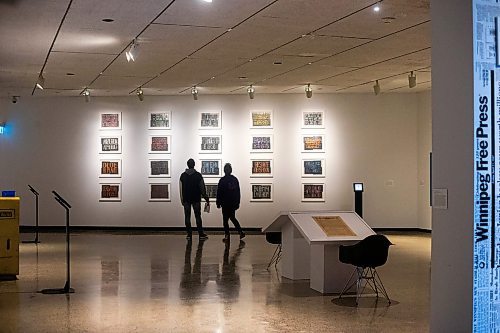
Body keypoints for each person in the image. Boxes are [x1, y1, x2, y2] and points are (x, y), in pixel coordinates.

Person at [180, 158, 209, 240]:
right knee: (198, 216)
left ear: (187, 165)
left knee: (187, 217)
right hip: (196, 198)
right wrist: (205, 197)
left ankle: (189, 235)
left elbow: (180, 188)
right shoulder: (198, 175)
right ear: (194, 164)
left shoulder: (183, 176)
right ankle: (200, 234)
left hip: (186, 199)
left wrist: (182, 200)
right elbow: (202, 188)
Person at [216, 163, 245, 241]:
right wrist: (237, 202)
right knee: (232, 218)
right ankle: (240, 232)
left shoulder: (222, 180)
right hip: (232, 202)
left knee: (226, 220)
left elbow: (219, 192)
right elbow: (237, 192)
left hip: (225, 203)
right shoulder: (234, 179)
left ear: (224, 170)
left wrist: (218, 202)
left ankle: (227, 235)